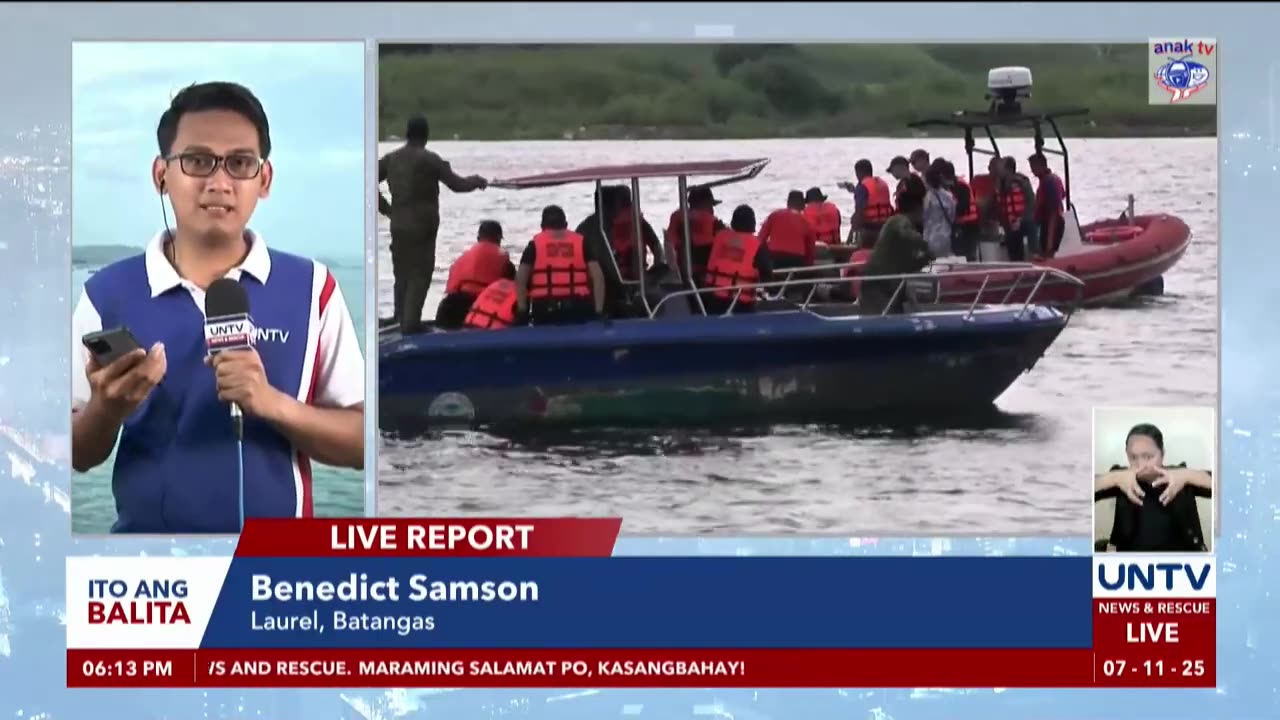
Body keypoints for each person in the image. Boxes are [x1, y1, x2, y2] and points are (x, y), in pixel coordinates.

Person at [71, 81, 365, 534]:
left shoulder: (313, 289)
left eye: (240, 163)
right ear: (161, 175)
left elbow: (365, 442)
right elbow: (74, 453)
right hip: (150, 571)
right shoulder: (106, 293)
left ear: (264, 180)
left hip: (281, 572)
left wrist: (270, 403)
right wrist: (106, 411)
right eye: (198, 160)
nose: (219, 182)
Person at [378, 114, 488, 334]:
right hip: (422, 226)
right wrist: (476, 181)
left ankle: (400, 316)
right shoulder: (430, 159)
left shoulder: (390, 159)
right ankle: (411, 323)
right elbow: (457, 184)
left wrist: (388, 210)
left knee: (402, 273)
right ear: (426, 135)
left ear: (407, 134)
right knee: (421, 272)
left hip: (398, 224)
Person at [1095, 423, 1213, 552]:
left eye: (1148, 457)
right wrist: (1114, 478)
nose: (1141, 464)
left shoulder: (1179, 477)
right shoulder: (1123, 478)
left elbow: (1231, 487)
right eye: (1133, 457)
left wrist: (1188, 475)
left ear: (1162, 454)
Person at [517, 205, 606, 326]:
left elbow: (521, 279)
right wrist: (599, 311)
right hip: (578, 306)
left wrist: (522, 311)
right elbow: (598, 277)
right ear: (565, 224)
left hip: (544, 309)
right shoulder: (581, 242)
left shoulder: (534, 246)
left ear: (542, 226)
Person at [859, 175, 932, 316]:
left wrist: (926, 258)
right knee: (879, 321)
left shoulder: (898, 226)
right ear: (919, 205)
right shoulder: (899, 222)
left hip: (890, 286)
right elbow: (905, 232)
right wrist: (926, 245)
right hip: (878, 287)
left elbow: (905, 266)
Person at [435, 220, 515, 330]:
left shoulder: (461, 259)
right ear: (498, 239)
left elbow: (451, 289)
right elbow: (513, 292)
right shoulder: (505, 262)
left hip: (452, 307)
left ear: (478, 239)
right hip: (481, 309)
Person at [703, 205, 773, 315]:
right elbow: (767, 273)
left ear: (733, 222)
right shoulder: (757, 245)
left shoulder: (720, 237)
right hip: (741, 303)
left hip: (712, 298)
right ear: (753, 223)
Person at [665, 185, 725, 285]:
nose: (712, 209)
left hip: (681, 277)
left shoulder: (677, 218)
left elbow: (669, 246)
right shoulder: (714, 223)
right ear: (702, 204)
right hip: (706, 278)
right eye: (710, 205)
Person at [838, 159, 894, 249]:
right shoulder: (882, 183)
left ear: (858, 172)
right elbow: (873, 197)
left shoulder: (862, 187)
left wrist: (852, 233)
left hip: (869, 229)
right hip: (885, 227)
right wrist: (854, 190)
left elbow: (859, 211)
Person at [758, 190, 816, 272]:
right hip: (796, 259)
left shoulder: (774, 215)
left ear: (788, 203)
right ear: (803, 205)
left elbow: (760, 239)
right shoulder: (807, 222)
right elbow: (810, 250)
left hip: (774, 257)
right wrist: (808, 267)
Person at [997, 156, 1038, 260]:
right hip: (1009, 225)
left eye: (1001, 167)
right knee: (1013, 252)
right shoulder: (1001, 184)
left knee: (1030, 225)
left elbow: (1031, 203)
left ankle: (1035, 254)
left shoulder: (1021, 182)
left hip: (1023, 222)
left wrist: (1020, 219)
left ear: (1009, 169)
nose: (999, 169)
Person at [1029, 153, 1067, 257]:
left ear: (1041, 165)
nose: (1032, 171)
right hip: (1048, 222)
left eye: (1033, 167)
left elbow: (1053, 211)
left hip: (1052, 223)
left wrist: (1050, 241)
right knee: (1045, 251)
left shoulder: (1049, 182)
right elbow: (1063, 195)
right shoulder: (1051, 179)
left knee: (1048, 253)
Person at [941, 161, 980, 260]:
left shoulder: (961, 186)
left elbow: (963, 206)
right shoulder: (946, 187)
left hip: (968, 225)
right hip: (956, 226)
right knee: (957, 254)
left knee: (967, 255)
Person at [922, 160, 956, 260]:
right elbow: (952, 216)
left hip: (930, 235)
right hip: (945, 235)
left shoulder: (928, 197)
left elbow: (925, 216)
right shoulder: (949, 196)